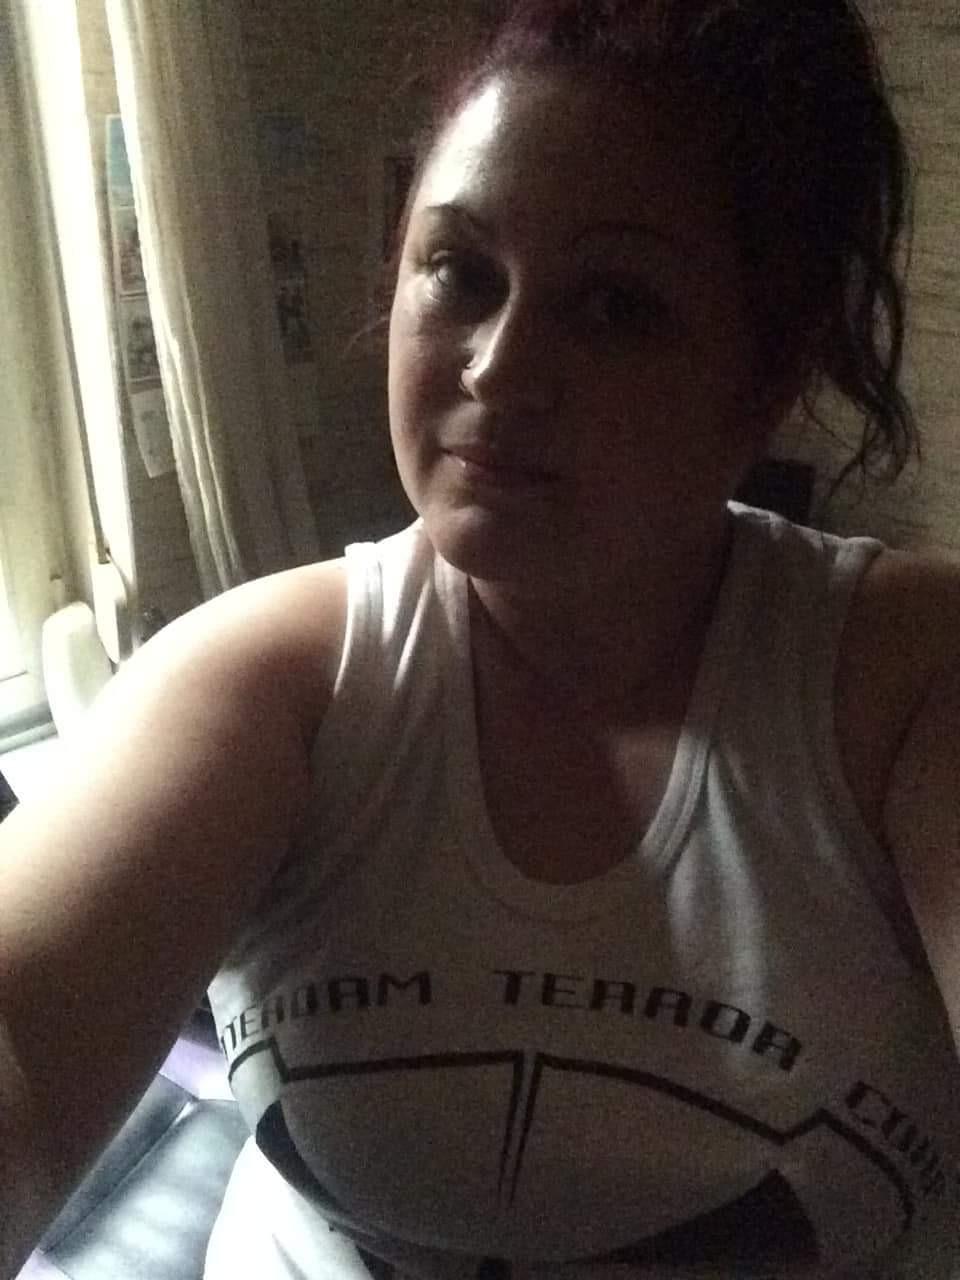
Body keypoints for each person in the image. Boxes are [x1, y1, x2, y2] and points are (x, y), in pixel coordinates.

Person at [2, 1, 959, 1276]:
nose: (499, 369)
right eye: (461, 271)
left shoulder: (911, 682)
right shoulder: (264, 679)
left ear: (768, 372)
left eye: (615, 305)